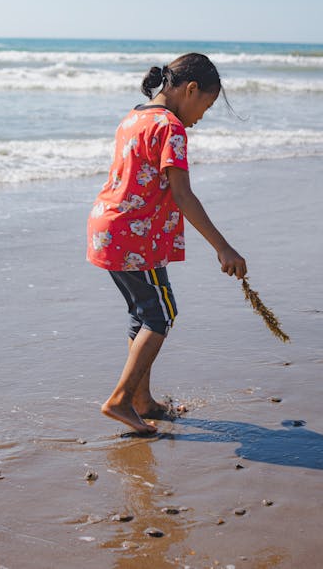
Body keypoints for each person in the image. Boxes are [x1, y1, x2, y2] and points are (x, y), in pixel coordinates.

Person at [86, 53, 247, 435]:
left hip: (110, 229)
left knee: (143, 313)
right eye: (205, 106)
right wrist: (223, 247)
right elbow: (183, 195)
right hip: (134, 236)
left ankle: (142, 401)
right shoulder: (171, 127)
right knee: (162, 315)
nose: (201, 116)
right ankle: (121, 400)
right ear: (190, 90)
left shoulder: (135, 116)